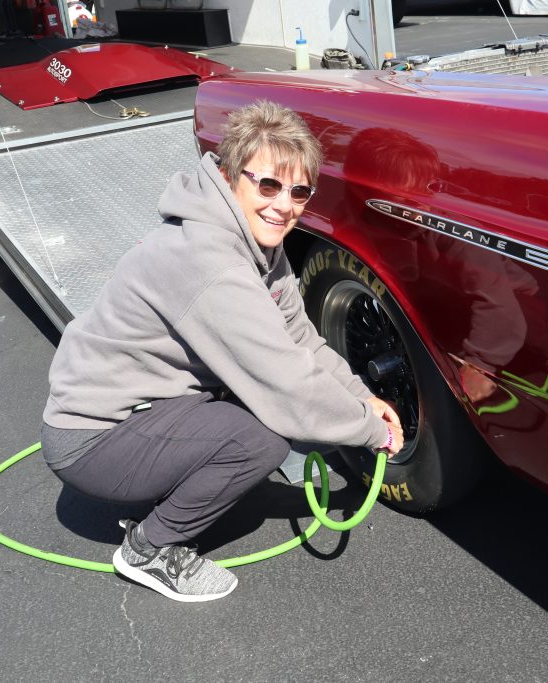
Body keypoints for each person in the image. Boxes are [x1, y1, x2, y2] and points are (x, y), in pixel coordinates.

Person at [40, 100, 404, 602]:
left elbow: (301, 340)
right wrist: (368, 430)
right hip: (92, 440)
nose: (285, 205)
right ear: (232, 175)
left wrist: (361, 396)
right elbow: (286, 382)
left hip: (140, 408)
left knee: (252, 408)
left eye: (300, 191)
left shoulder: (255, 243)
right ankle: (150, 547)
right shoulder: (211, 261)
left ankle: (162, 484)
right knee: (262, 439)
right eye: (269, 185)